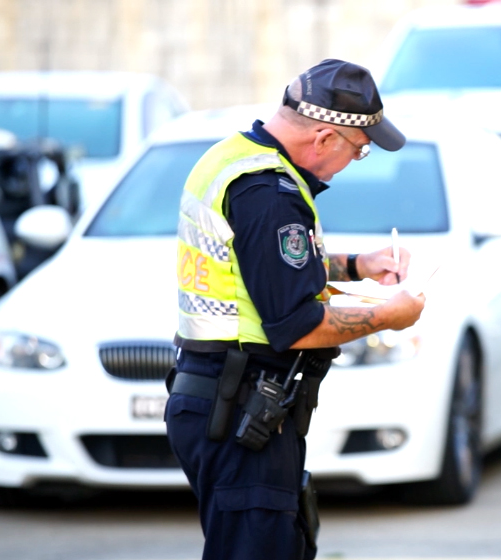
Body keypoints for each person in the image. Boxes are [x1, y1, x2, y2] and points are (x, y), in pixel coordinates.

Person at [165, 59, 426, 560]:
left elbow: (263, 267)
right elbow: (295, 326)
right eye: (360, 149)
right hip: (242, 409)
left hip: (227, 401)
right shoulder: (269, 193)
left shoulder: (235, 157)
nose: (355, 160)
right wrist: (389, 316)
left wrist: (356, 265)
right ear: (326, 137)